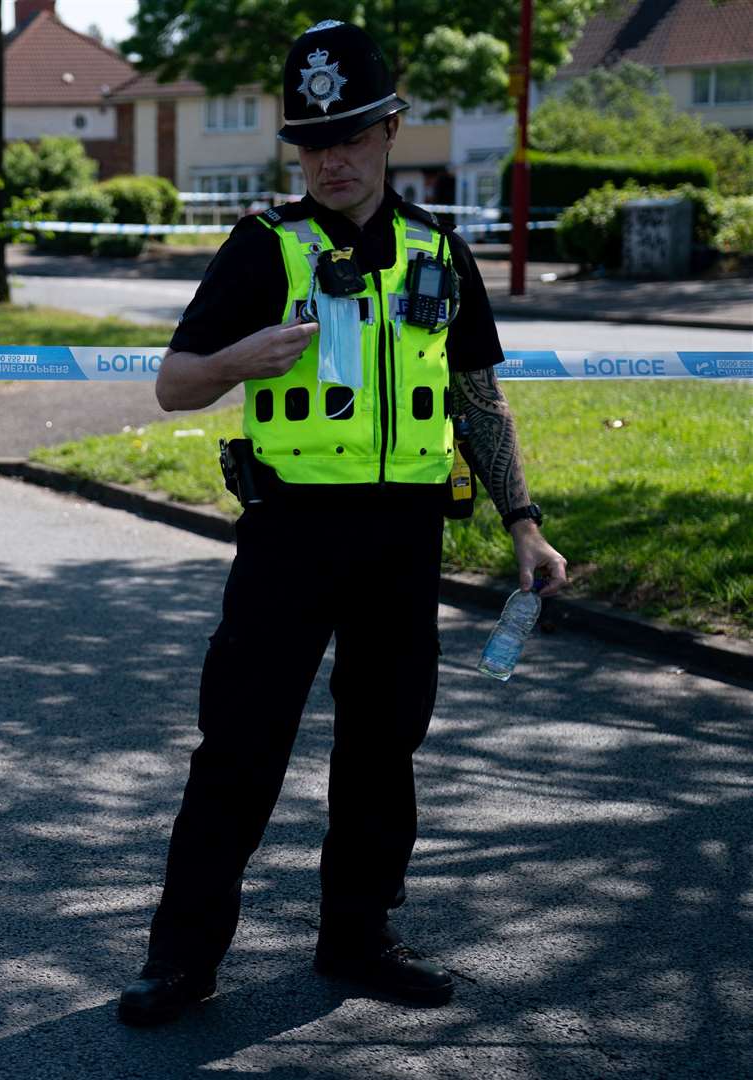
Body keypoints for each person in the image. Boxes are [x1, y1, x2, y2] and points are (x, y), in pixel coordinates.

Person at [117, 19, 568, 1027]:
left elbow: (479, 399)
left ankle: (357, 937)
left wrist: (524, 524)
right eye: (314, 141)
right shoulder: (262, 248)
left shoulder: (439, 252)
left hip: (404, 541)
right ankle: (182, 961)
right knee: (239, 744)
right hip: (289, 536)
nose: (332, 158)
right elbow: (173, 384)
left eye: (353, 135)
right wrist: (241, 359)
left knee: (381, 746)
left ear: (392, 130)